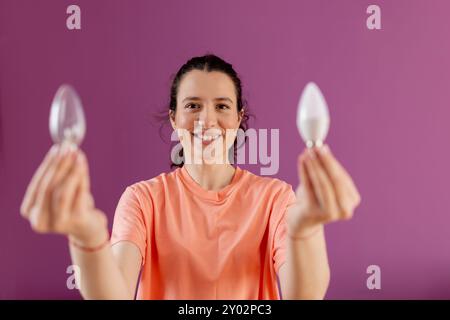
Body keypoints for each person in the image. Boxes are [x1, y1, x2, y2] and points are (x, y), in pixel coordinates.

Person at [20, 54, 361, 300]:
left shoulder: (275, 197)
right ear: (173, 118)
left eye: (222, 106)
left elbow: (306, 296)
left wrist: (305, 231)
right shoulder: (143, 199)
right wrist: (88, 237)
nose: (207, 119)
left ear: (240, 117)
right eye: (193, 105)